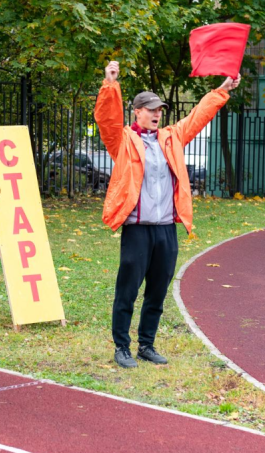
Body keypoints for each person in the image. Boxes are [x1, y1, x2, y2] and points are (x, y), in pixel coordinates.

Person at [95, 61, 241, 368]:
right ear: (137, 111)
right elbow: (107, 121)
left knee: (157, 292)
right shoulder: (123, 140)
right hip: (137, 229)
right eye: (150, 109)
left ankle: (146, 345)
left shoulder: (172, 137)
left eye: (159, 109)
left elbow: (198, 117)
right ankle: (122, 347)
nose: (156, 113)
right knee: (128, 291)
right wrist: (110, 86)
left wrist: (222, 90)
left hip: (165, 229)